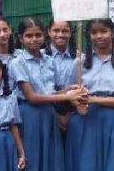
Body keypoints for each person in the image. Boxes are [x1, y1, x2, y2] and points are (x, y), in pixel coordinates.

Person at [67, 18, 114, 171]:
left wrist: (92, 99)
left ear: (112, 33)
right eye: (94, 32)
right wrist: (78, 102)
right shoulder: (80, 62)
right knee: (87, 163)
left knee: (113, 163)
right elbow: (71, 93)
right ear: (88, 35)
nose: (99, 36)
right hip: (86, 119)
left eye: (103, 31)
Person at [9, 18, 70, 171]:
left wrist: (70, 90)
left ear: (44, 36)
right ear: (20, 38)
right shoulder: (18, 62)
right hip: (29, 115)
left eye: (38, 35)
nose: (34, 39)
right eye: (29, 36)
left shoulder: (49, 60)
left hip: (49, 114)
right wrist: (67, 96)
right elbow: (32, 97)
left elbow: (50, 93)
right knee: (33, 156)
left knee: (50, 158)